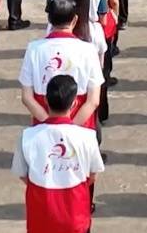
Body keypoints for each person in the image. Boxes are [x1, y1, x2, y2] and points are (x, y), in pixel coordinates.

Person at [13, 74, 104, 233]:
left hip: (41, 217)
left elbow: (22, 174)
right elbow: (93, 175)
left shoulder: (27, 136)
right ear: (74, 103)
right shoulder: (87, 137)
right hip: (75, 216)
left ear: (46, 100)